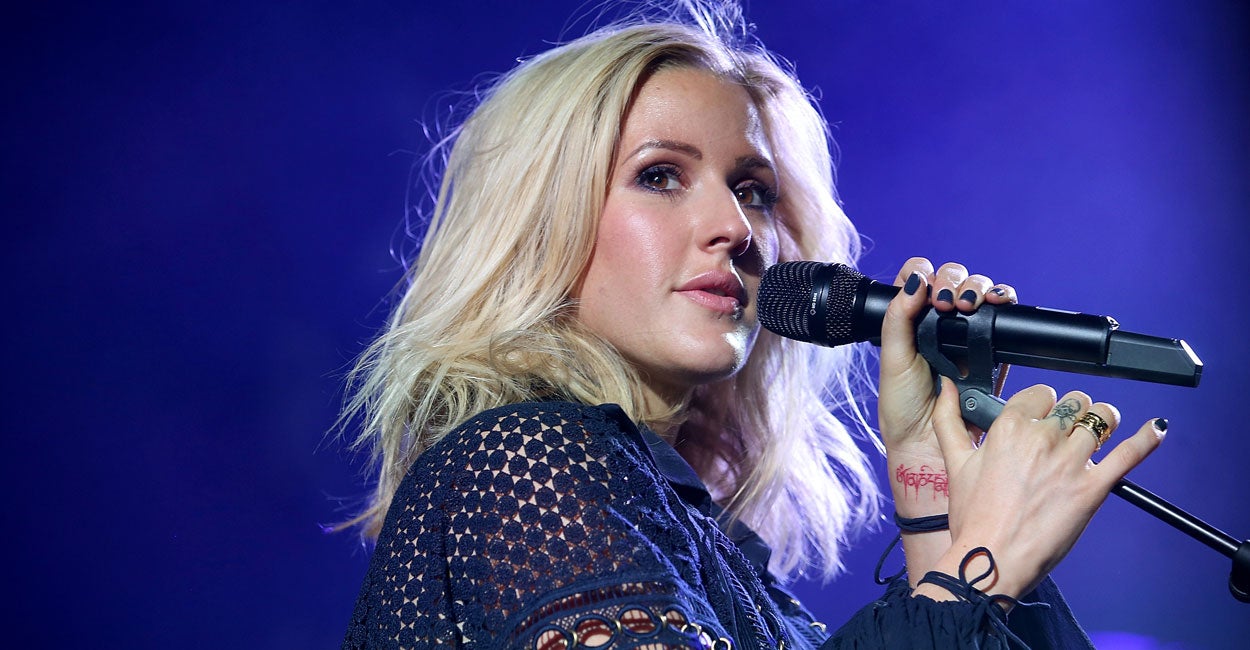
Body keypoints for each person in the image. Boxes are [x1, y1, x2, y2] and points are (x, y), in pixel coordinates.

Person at [337, 3, 1166, 647]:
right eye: (660, 176)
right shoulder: (523, 460)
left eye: (753, 191)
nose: (736, 228)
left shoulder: (711, 551)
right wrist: (981, 567)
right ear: (538, 221)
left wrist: (939, 492)